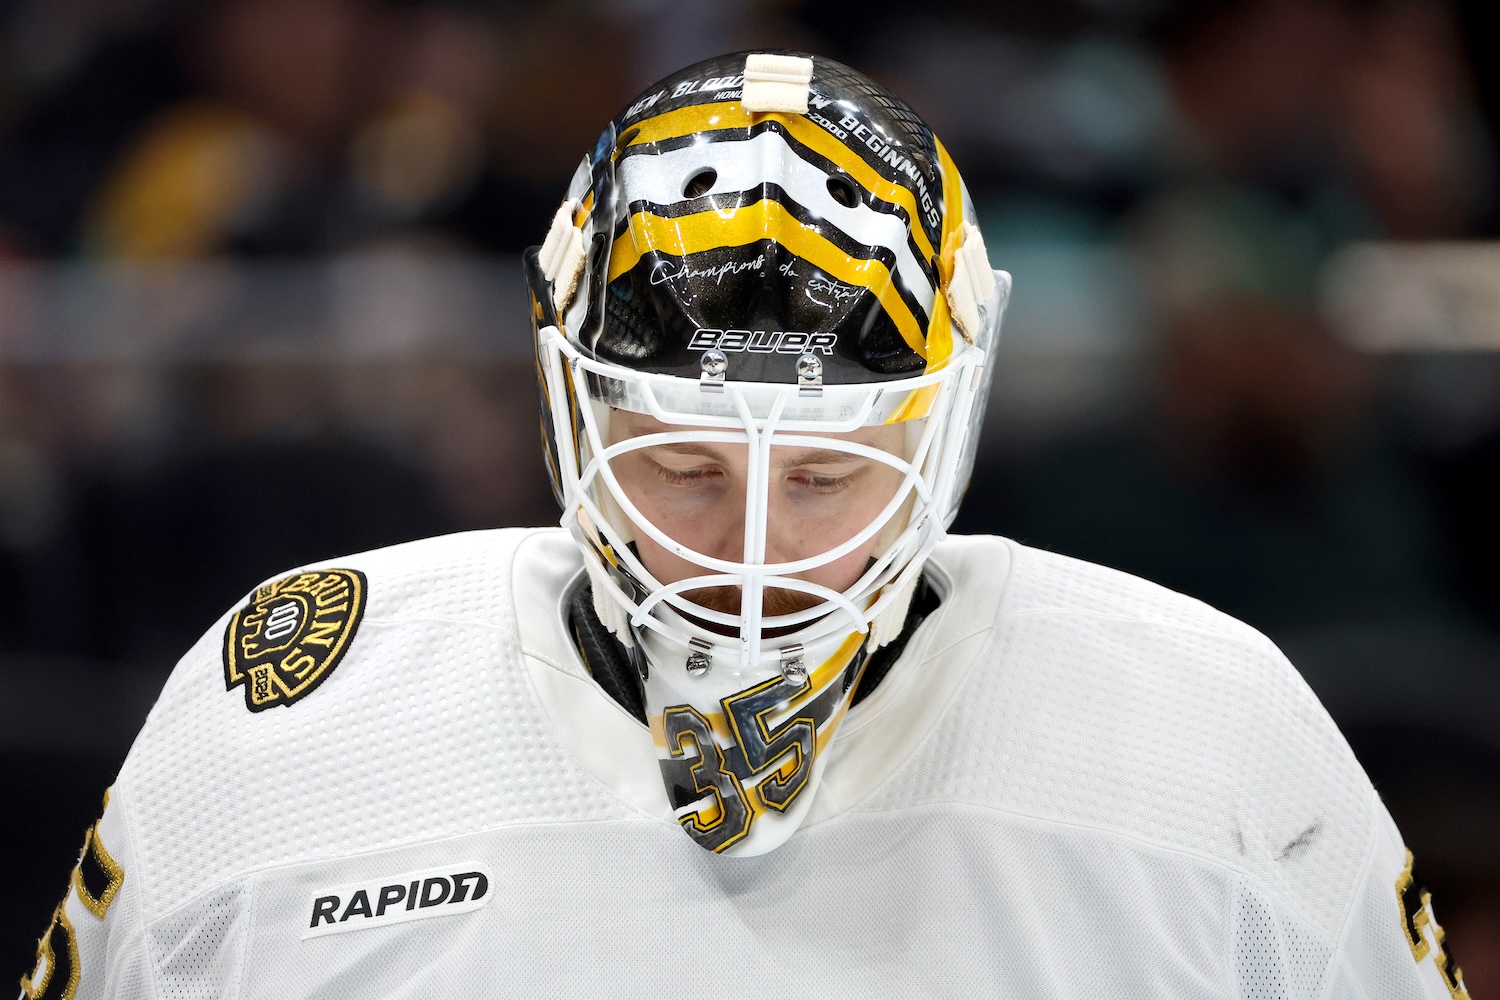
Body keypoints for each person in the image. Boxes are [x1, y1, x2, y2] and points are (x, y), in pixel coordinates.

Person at [20, 52, 1470, 998]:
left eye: (828, 479)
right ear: (568, 415)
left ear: (941, 424)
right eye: (686, 469)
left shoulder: (1213, 742)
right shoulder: (280, 724)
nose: (753, 554)